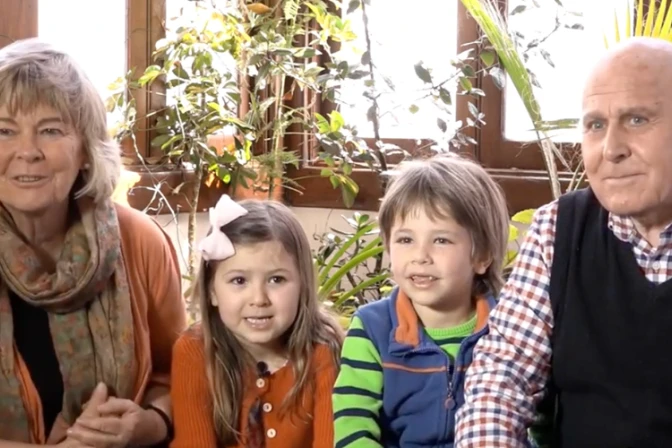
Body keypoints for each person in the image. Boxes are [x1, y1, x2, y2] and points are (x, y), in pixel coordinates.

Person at [455, 37, 672, 448]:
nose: (611, 149)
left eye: (637, 119)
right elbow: (502, 378)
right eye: (595, 125)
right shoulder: (557, 228)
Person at [0, 38, 187, 447]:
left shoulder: (140, 241)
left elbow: (180, 375)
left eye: (50, 130)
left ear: (86, 149)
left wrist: (148, 424)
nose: (27, 151)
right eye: (5, 131)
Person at [332, 154, 510, 447]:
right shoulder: (372, 328)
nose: (420, 256)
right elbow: (353, 427)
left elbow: (536, 419)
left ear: (482, 256)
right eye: (405, 240)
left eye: (441, 240)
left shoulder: (508, 329)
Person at [169, 196, 343, 448]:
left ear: (302, 285)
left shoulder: (324, 351)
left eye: (276, 280)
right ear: (212, 292)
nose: (259, 299)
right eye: (239, 281)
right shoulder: (194, 351)